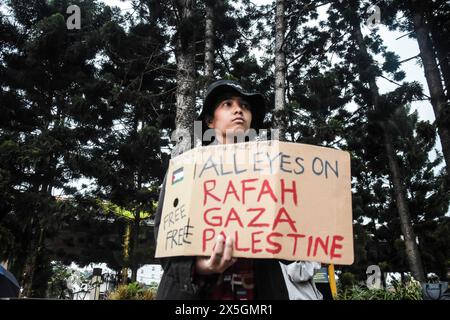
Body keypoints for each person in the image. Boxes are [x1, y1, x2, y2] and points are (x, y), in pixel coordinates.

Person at [154, 79, 322, 300]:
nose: (238, 110)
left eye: (244, 106)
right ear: (210, 121)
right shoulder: (185, 168)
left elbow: (289, 244)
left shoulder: (273, 173)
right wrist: (200, 266)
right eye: (227, 104)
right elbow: (164, 236)